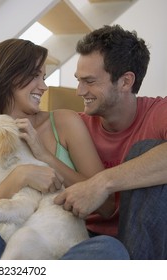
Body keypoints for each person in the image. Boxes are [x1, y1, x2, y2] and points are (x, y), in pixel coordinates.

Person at [0, 38, 120, 260]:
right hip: (0, 246)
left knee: (108, 249)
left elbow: (106, 205)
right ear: (7, 77)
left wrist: (45, 157)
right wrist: (21, 176)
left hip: (59, 244)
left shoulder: (64, 122)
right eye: (35, 75)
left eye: (44, 77)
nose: (44, 86)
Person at [54, 24, 167, 259]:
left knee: (147, 150)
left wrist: (102, 182)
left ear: (125, 82)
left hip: (145, 244)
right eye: (78, 80)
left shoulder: (158, 112)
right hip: (85, 241)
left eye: (90, 81)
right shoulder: (74, 126)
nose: (79, 91)